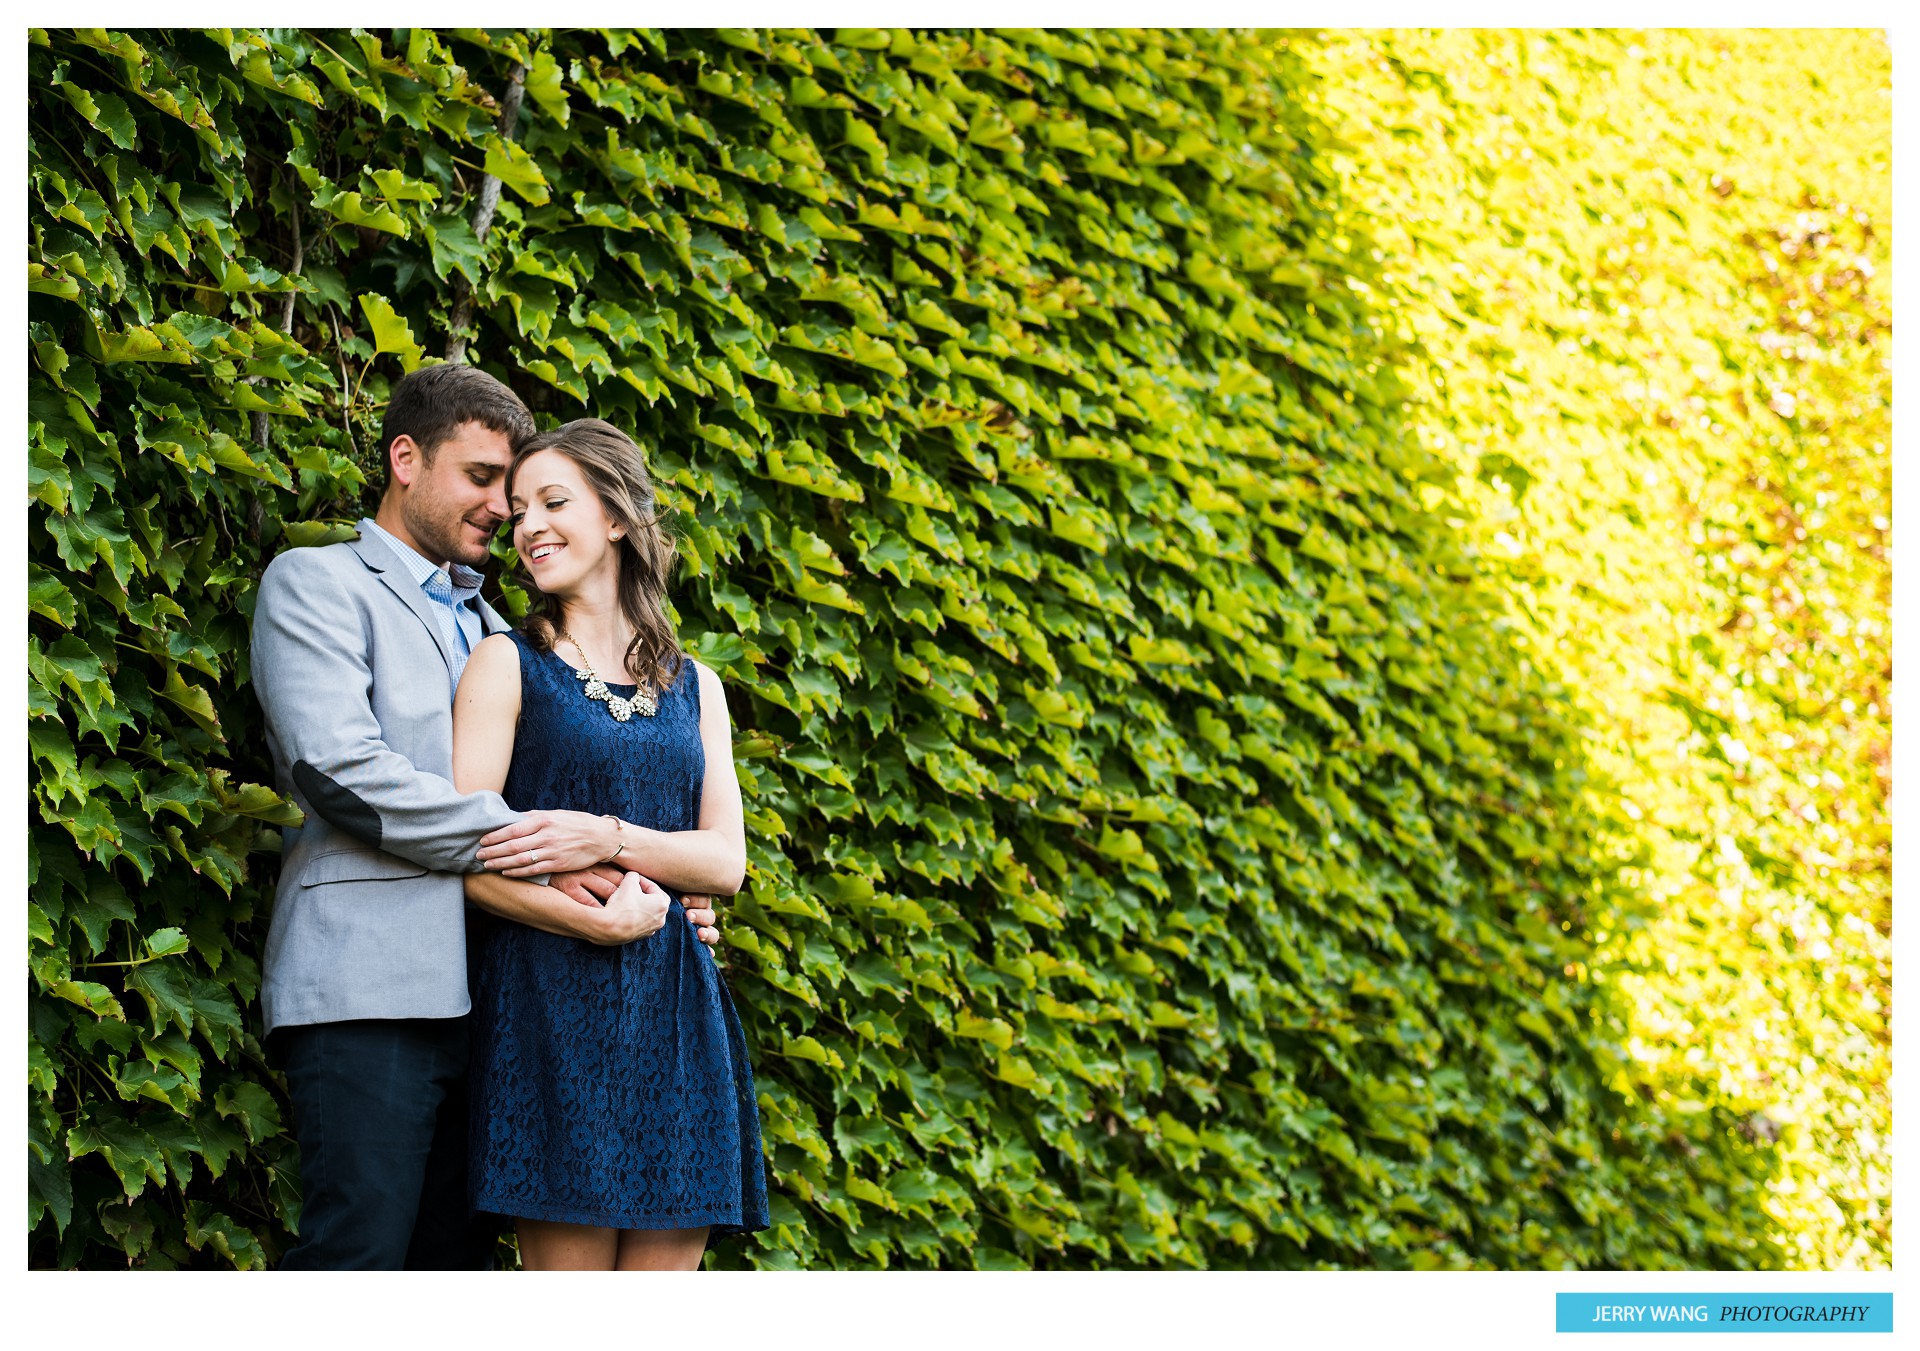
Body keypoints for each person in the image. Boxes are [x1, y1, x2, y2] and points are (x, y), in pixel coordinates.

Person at [250, 365, 721, 1270]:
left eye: (512, 492)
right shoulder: (315, 583)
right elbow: (338, 772)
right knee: (356, 1263)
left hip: (502, 1004)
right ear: (403, 459)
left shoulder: (502, 630)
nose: (503, 510)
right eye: (480, 479)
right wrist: (551, 855)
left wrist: (661, 888)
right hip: (369, 988)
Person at [452, 417, 769, 1270]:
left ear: (619, 517)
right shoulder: (505, 663)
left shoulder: (696, 684)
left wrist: (608, 835)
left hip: (677, 1013)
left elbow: (724, 861)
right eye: (518, 512)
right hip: (549, 1006)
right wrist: (588, 915)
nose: (528, 528)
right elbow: (464, 859)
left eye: (555, 502)